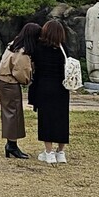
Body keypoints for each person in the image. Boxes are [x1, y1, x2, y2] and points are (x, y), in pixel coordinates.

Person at [28, 20, 70, 165]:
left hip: (44, 87)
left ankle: (49, 152)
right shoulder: (62, 48)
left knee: (46, 120)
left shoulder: (39, 48)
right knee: (61, 119)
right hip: (62, 88)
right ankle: (61, 152)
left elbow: (34, 67)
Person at [0, 22, 39, 159]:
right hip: (10, 83)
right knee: (13, 114)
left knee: (10, 113)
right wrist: (29, 80)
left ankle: (11, 144)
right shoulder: (23, 51)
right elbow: (21, 72)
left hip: (3, 81)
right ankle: (11, 145)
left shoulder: (13, 44)